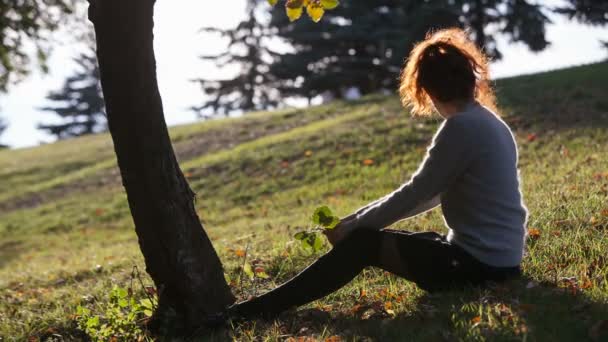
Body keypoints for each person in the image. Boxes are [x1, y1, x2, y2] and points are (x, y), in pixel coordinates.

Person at [223, 28, 529, 321]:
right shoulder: (489, 122)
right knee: (407, 239)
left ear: (427, 89)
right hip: (501, 264)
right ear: (470, 78)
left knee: (364, 245)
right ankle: (263, 305)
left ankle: (257, 310)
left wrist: (351, 230)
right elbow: (431, 194)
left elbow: (416, 192)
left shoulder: (461, 127)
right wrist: (353, 222)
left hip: (477, 269)